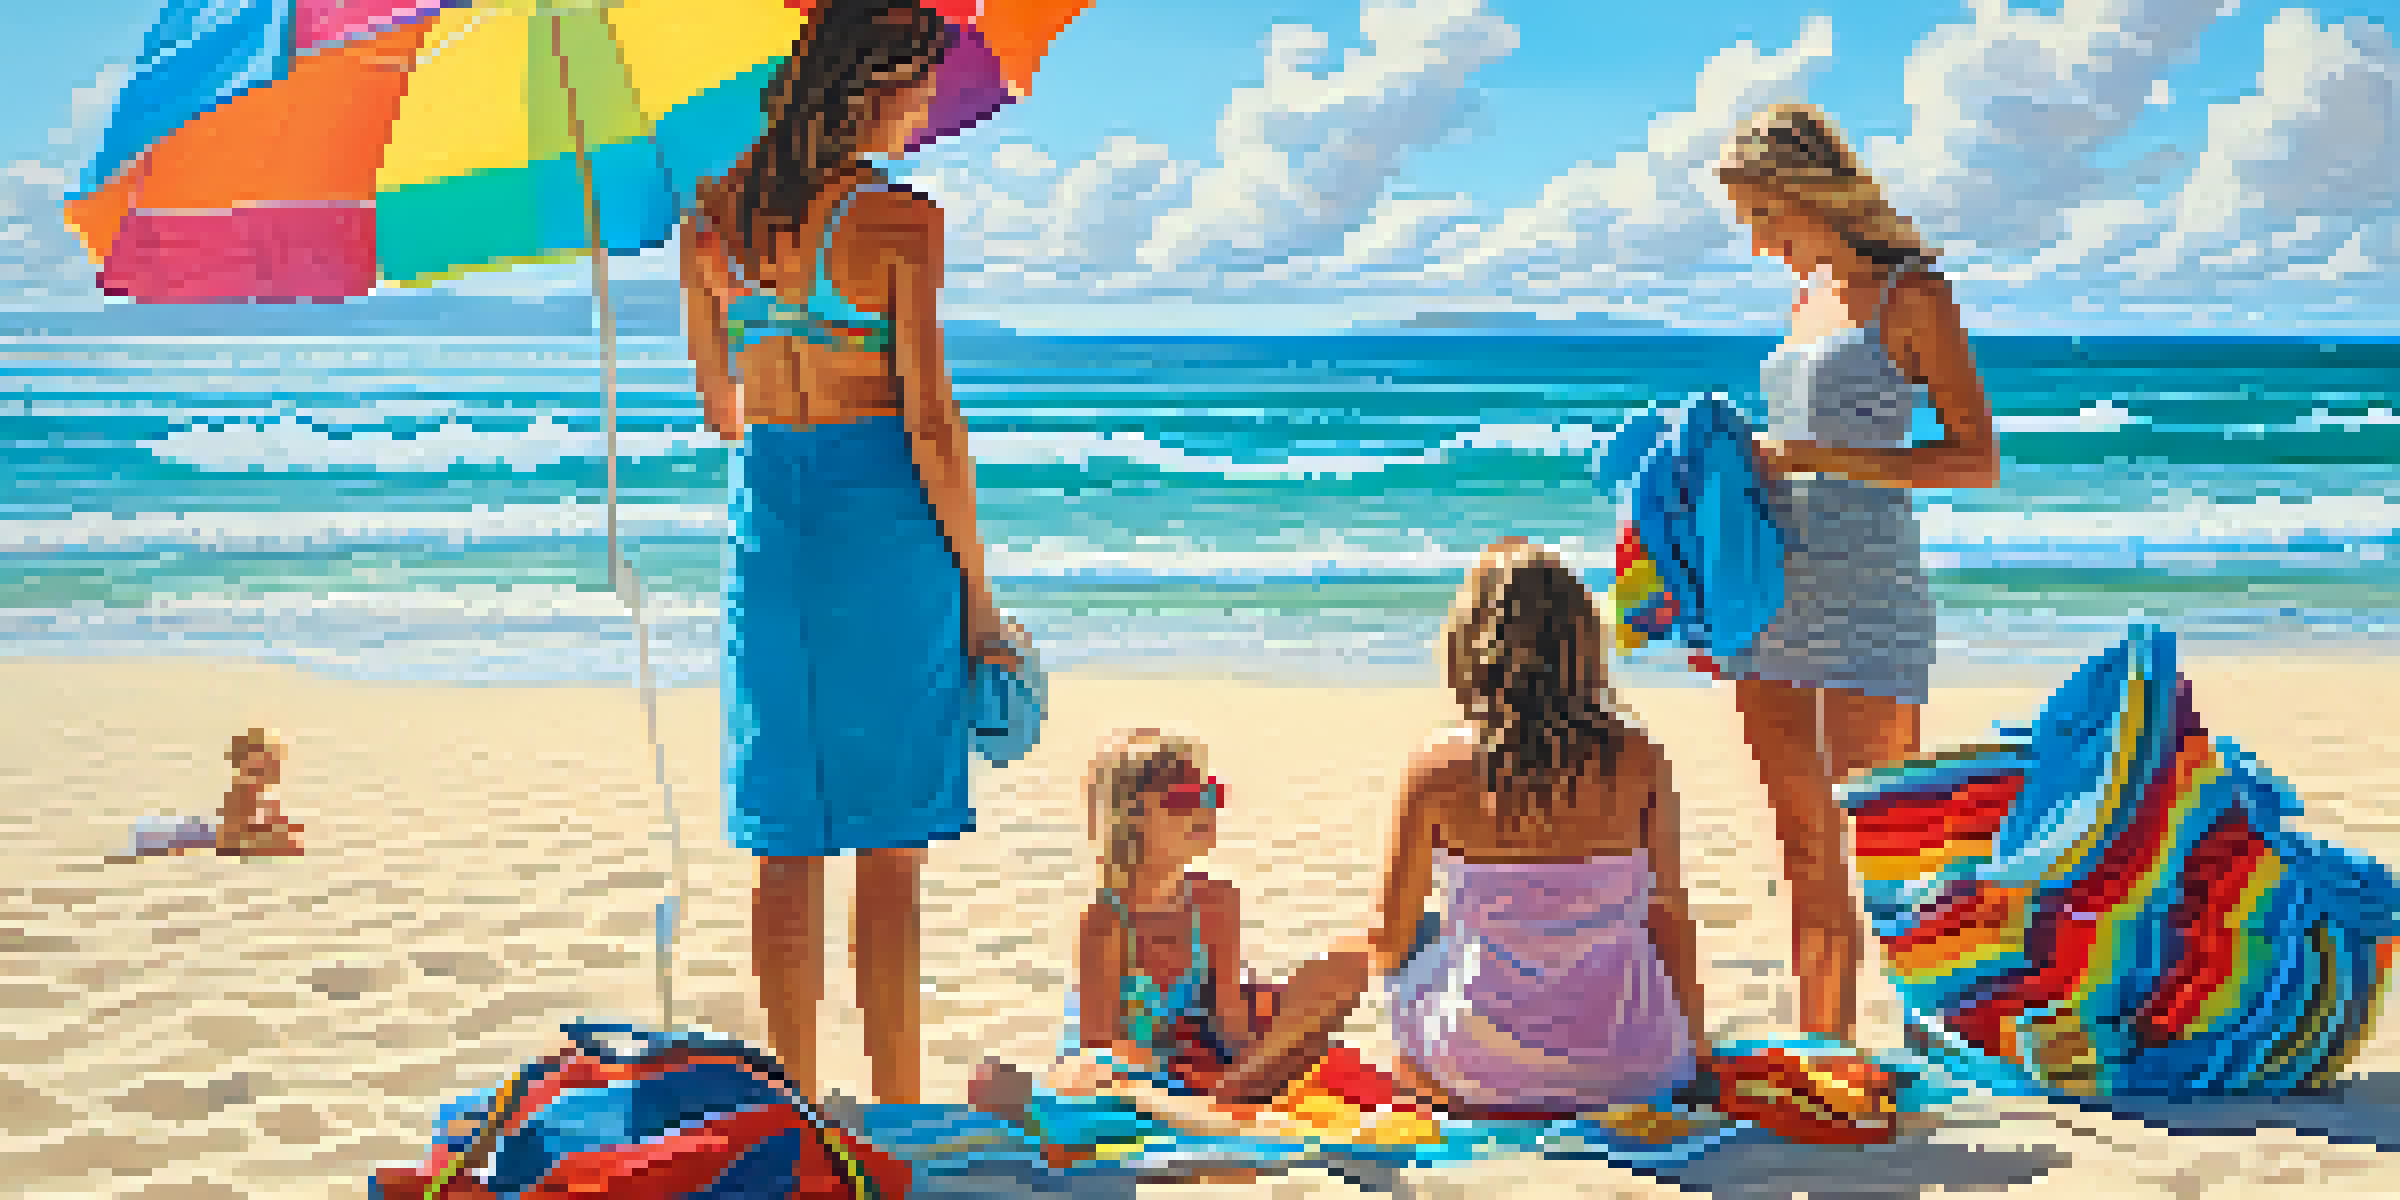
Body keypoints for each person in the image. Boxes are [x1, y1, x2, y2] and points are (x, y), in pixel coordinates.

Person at [681, 0, 1019, 1106]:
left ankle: (790, 1108)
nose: (927, 105)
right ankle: (899, 1111)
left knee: (786, 840)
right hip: (882, 526)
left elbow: (725, 412)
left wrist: (735, 300)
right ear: (870, 84)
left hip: (771, 522)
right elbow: (932, 425)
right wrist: (976, 589)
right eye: (918, 81)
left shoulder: (716, 218)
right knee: (889, 843)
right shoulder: (900, 223)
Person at [1213, 538, 1710, 1117]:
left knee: (1404, 939)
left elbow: (1386, 942)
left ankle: (1257, 1071)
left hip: (1484, 1075)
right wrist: (1690, 1053)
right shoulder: (1638, 756)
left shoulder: (1440, 766)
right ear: (1582, 640)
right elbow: (1669, 913)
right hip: (1630, 1072)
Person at [1711, 103, 2000, 1046]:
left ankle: (1928, 1052)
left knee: (1895, 845)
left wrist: (1819, 459)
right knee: (1803, 849)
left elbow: (1972, 459)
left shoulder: (1912, 294)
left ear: (1804, 195)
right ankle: (1824, 1050)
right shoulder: (1804, 300)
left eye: (1765, 218)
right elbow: (1794, 451)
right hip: (1774, 592)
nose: (1759, 243)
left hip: (1873, 591)